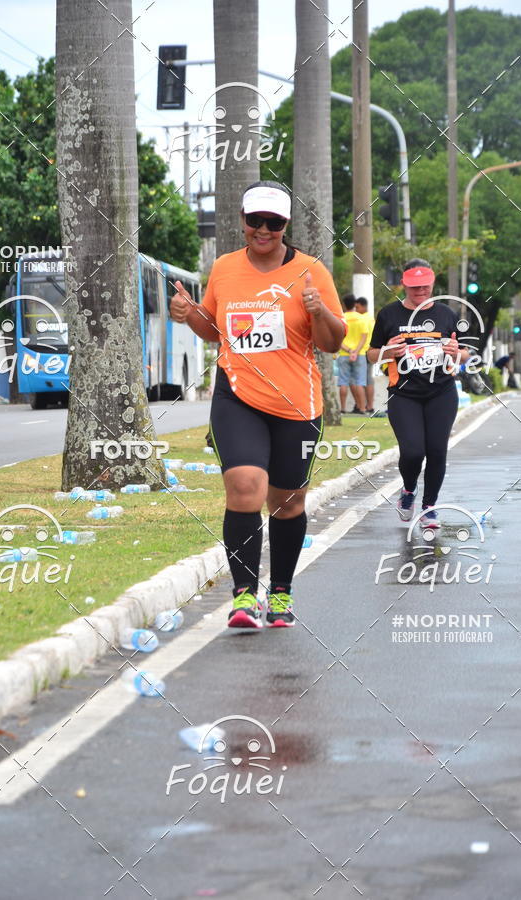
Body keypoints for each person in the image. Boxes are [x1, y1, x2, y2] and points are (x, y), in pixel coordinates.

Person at [170, 180, 346, 628]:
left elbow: (332, 342)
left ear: (285, 226)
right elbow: (215, 329)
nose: (263, 230)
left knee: (287, 502)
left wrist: (319, 310)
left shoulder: (311, 271)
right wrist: (189, 313)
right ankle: (244, 597)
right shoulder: (225, 268)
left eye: (274, 222)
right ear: (243, 222)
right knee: (246, 485)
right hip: (238, 394)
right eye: (255, 221)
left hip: (296, 402)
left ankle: (281, 594)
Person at [366, 259, 470, 529]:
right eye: (414, 287)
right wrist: (388, 350)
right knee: (413, 451)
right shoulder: (389, 315)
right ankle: (409, 490)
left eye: (425, 286)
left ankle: (429, 508)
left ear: (433, 283)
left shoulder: (448, 314)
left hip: (442, 392)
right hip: (403, 394)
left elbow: (466, 354)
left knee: (437, 450)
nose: (420, 291)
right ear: (404, 284)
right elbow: (371, 355)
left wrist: (455, 353)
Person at [337, 294, 369, 414]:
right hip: (359, 354)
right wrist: (355, 351)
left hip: (344, 354)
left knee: (343, 382)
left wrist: (349, 351)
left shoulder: (342, 318)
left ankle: (343, 408)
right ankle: (362, 408)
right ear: (355, 304)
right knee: (360, 382)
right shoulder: (361, 318)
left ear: (344, 305)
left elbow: (338, 339)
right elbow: (364, 337)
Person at [355, 296, 376, 413]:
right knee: (369, 380)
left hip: (363, 352)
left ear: (363, 306)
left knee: (361, 381)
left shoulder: (362, 318)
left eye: (357, 307)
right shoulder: (371, 318)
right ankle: (370, 406)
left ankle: (361, 406)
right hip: (370, 351)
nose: (356, 309)